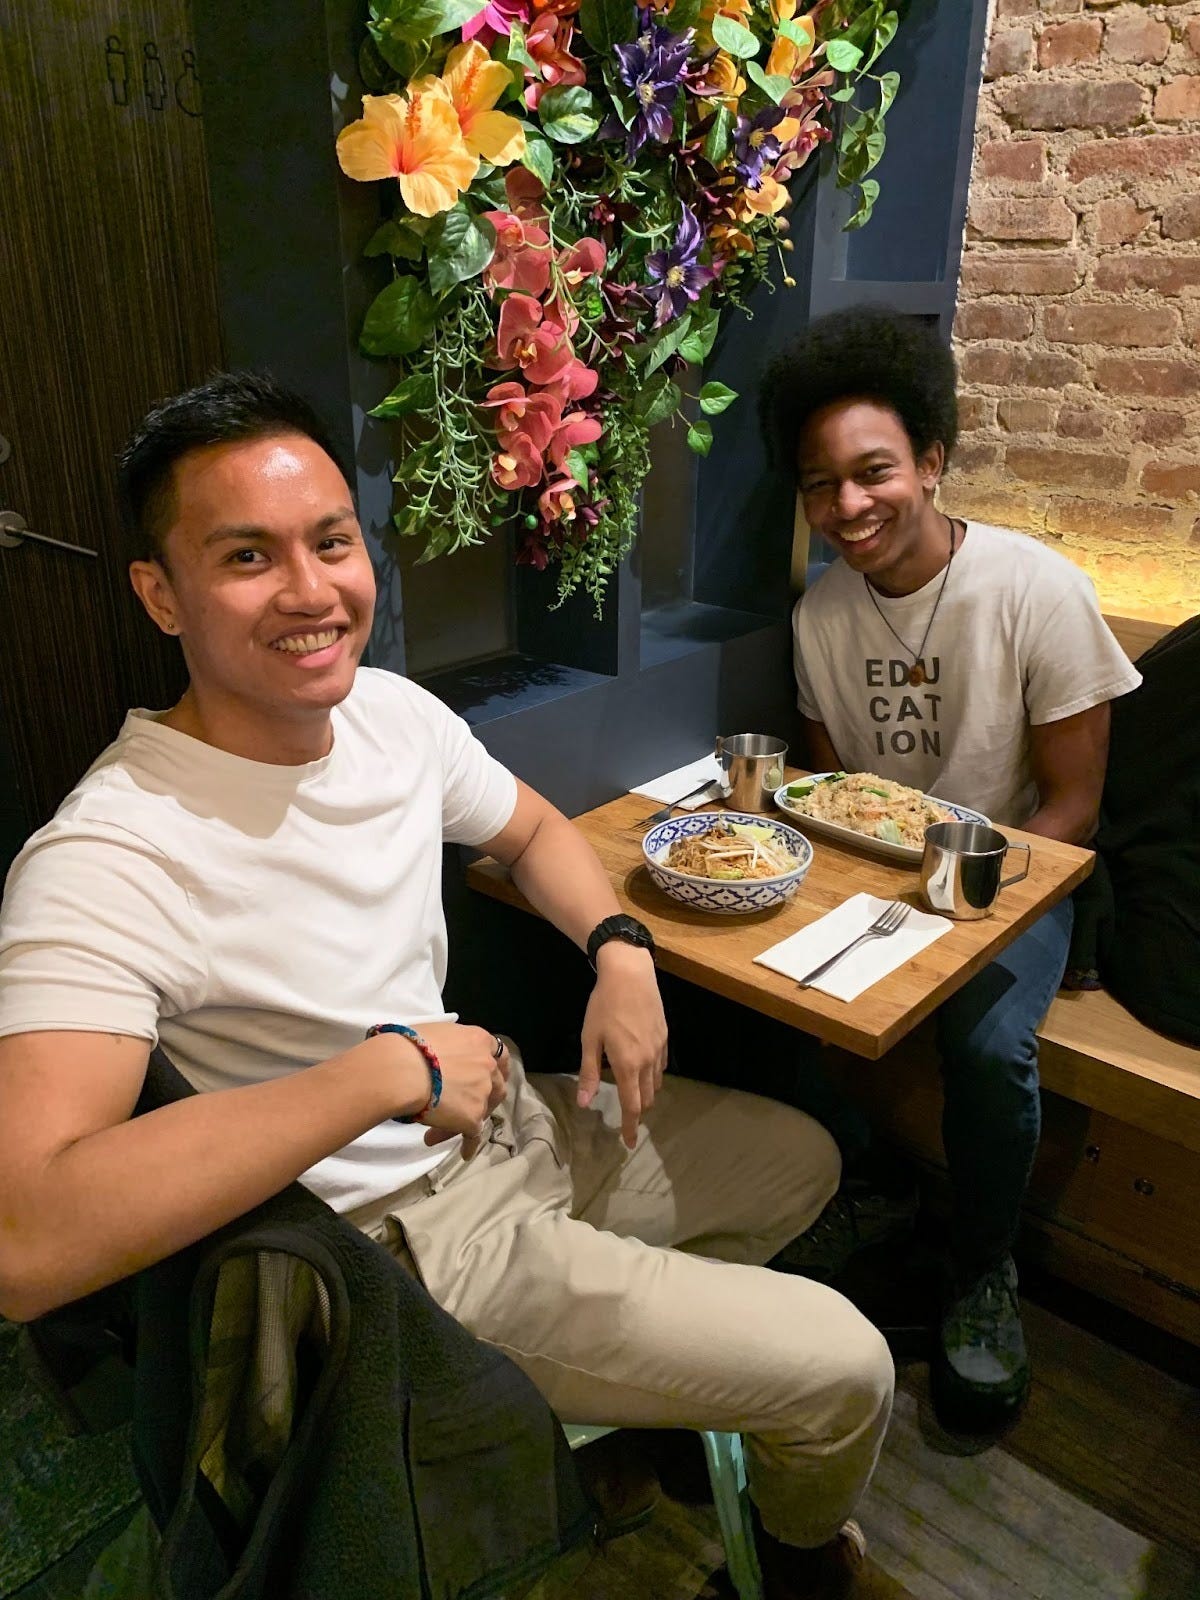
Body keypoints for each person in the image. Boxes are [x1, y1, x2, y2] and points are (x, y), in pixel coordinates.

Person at [0, 372, 894, 1600]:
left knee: (804, 1160)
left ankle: (615, 1407)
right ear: (161, 594)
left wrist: (620, 950)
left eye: (331, 542)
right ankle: (797, 1567)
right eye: (248, 556)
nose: (311, 591)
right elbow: (29, 1235)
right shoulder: (108, 854)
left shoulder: (389, 716)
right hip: (404, 1246)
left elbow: (530, 830)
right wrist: (388, 1070)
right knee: (847, 1365)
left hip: (511, 1121)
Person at [756, 308, 1141, 1436]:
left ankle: (983, 1268)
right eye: (820, 484)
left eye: (873, 470)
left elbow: (1073, 807)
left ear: (931, 460)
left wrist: (963, 903)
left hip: (1020, 873)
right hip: (883, 875)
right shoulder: (821, 615)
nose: (848, 505)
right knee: (769, 987)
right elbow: (837, 789)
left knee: (984, 1044)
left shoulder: (1035, 588)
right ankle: (871, 1184)